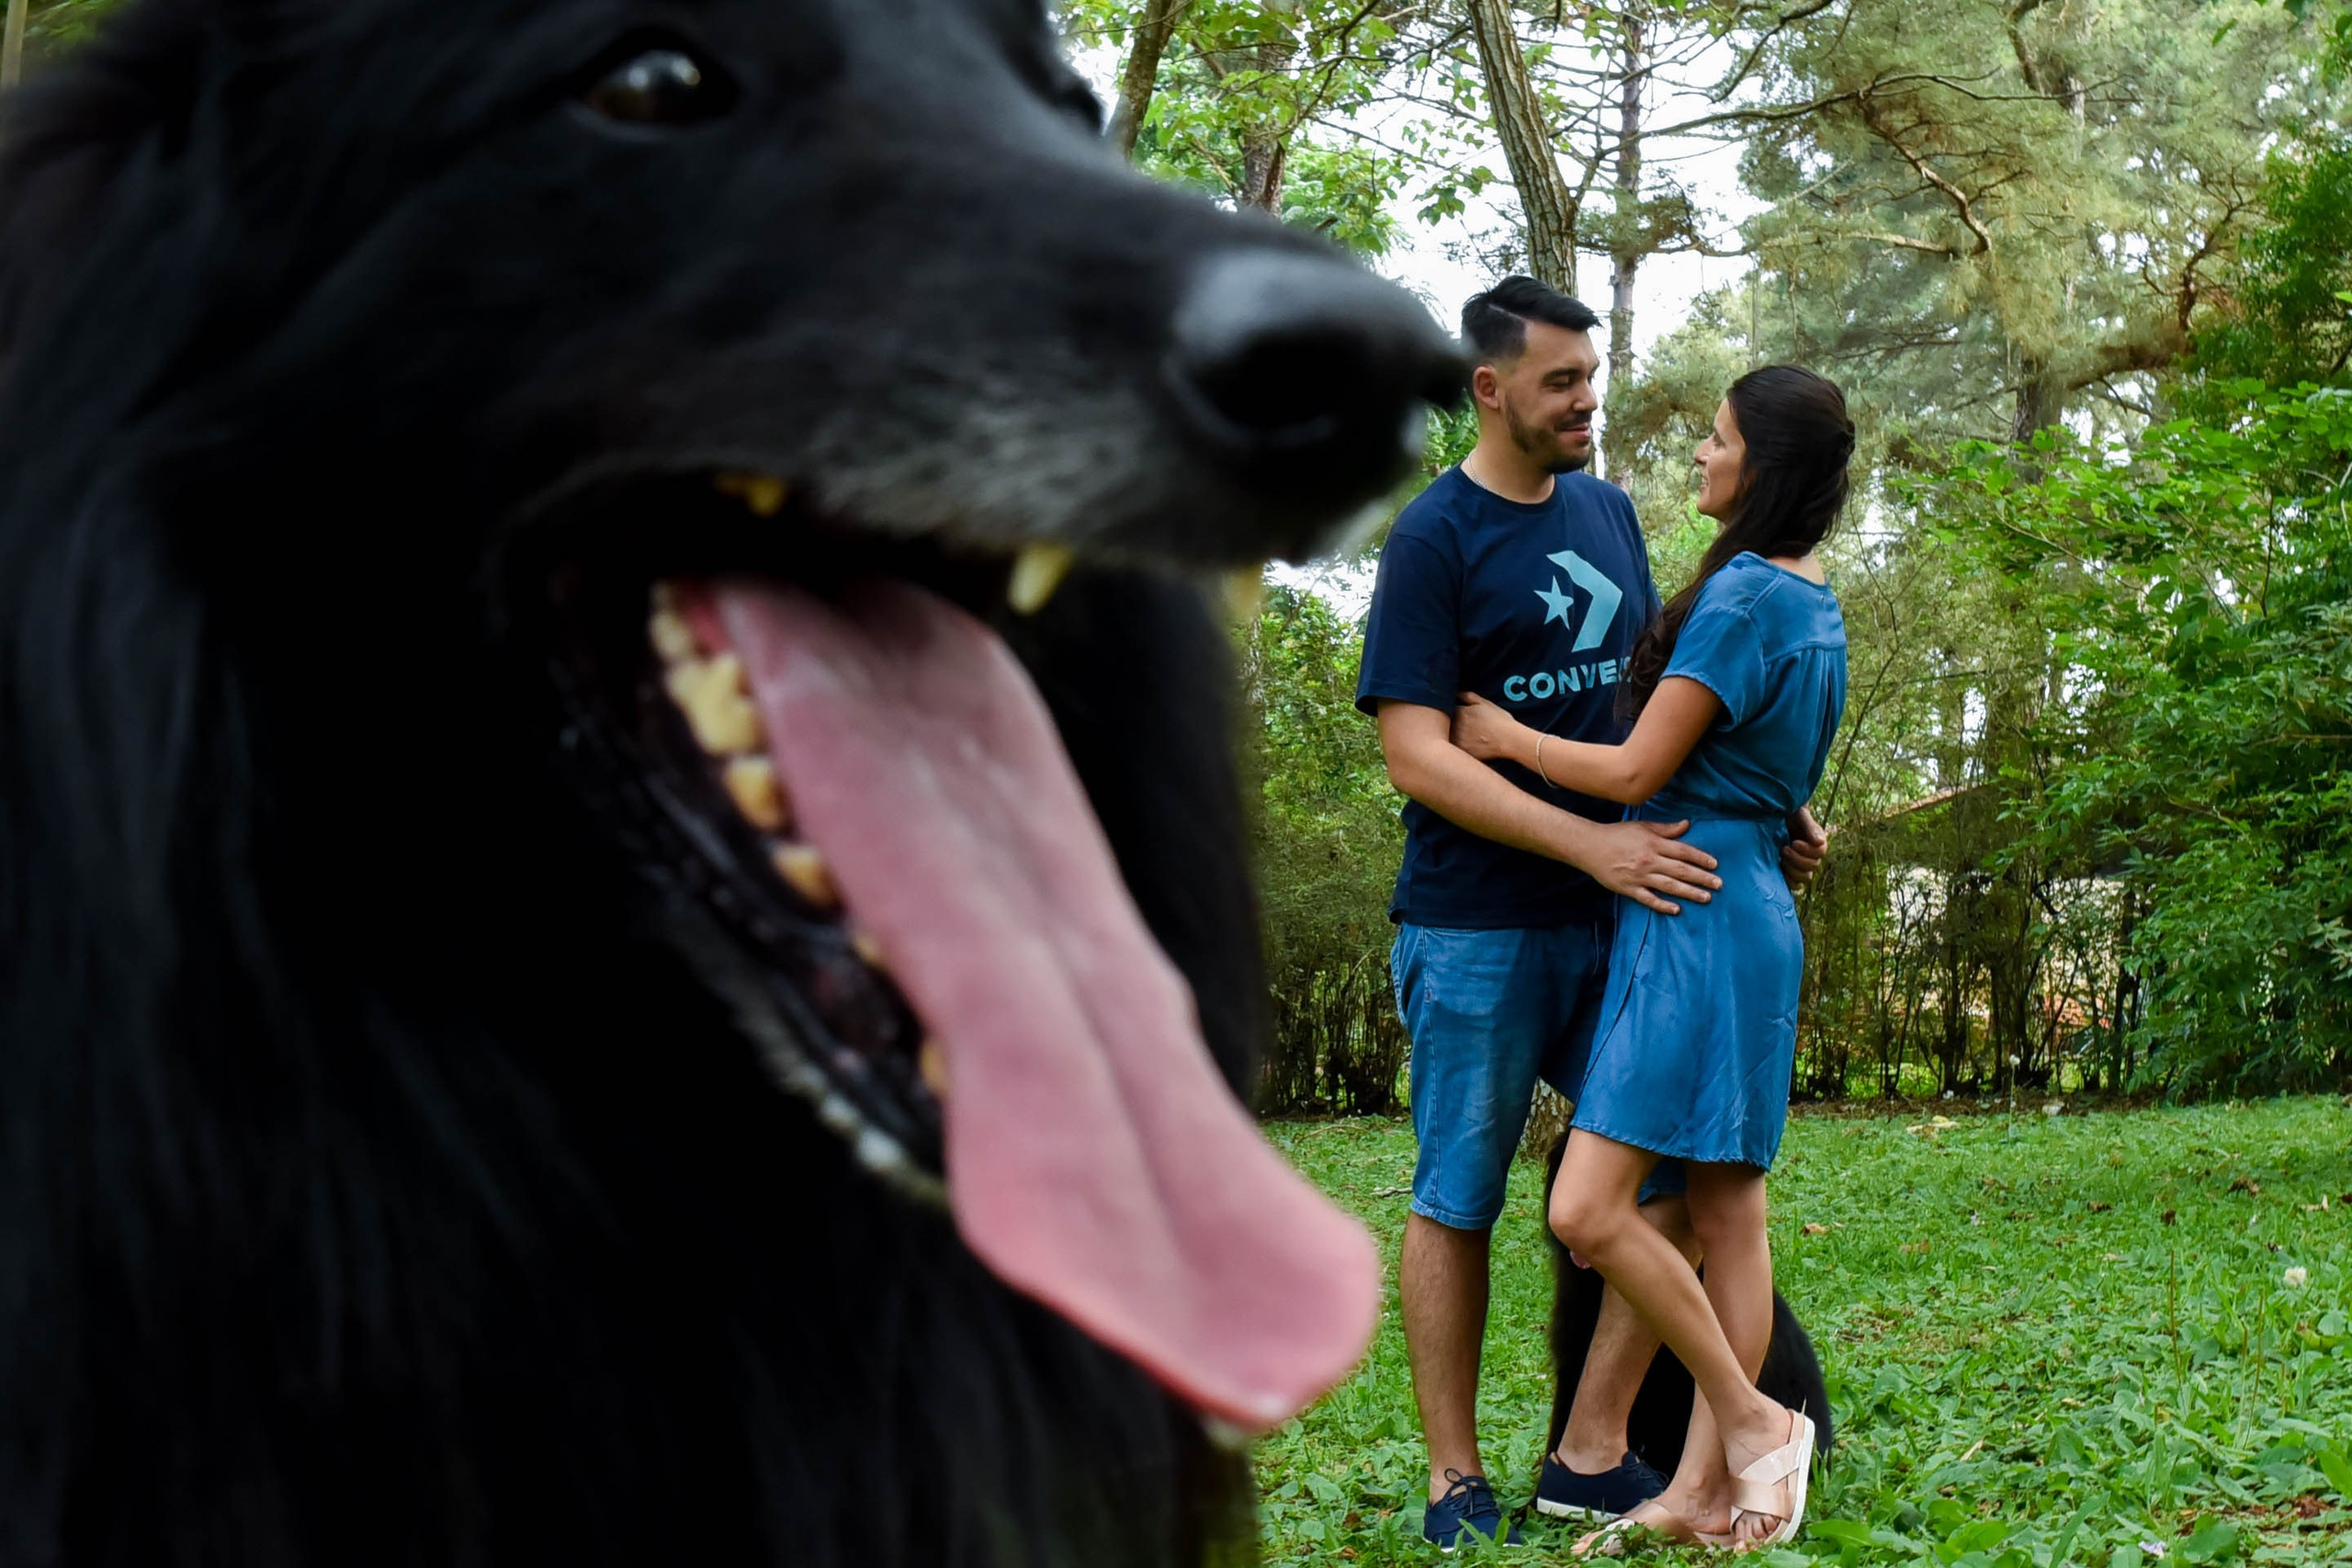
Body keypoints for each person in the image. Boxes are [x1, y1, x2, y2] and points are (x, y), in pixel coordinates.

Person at [1354, 278, 1826, 1551]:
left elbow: (1644, 713)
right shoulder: (1432, 540)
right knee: (1461, 1193)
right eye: (1562, 381)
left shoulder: (1612, 515)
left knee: (1664, 1173)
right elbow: (1420, 753)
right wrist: (1590, 844)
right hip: (1476, 924)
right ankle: (1457, 1480)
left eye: (1591, 375)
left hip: (1636, 912)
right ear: (1490, 389)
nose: (1589, 400)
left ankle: (1593, 1448)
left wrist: (1749, 809)